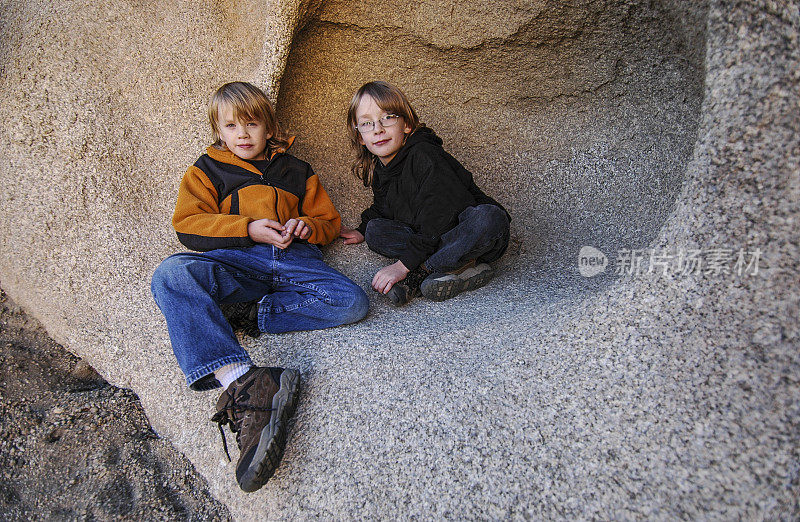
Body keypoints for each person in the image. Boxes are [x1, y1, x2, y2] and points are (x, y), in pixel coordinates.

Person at [151, 81, 368, 493]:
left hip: (294, 260)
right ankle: (242, 378)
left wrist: (309, 227)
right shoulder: (206, 170)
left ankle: (250, 316)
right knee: (171, 275)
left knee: (351, 302)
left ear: (269, 128)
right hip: (239, 261)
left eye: (251, 124)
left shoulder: (298, 170)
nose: (243, 134)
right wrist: (247, 227)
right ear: (219, 131)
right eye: (231, 126)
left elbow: (327, 220)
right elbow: (188, 225)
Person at [340, 81, 511, 306]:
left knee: (489, 218)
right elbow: (383, 207)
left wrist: (403, 266)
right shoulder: (383, 167)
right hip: (435, 239)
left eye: (388, 117)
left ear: (407, 124)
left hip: (467, 232)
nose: (378, 129)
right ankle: (462, 268)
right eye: (366, 123)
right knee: (376, 231)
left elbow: (439, 216)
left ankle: (419, 274)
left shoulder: (425, 154)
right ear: (361, 136)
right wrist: (362, 229)